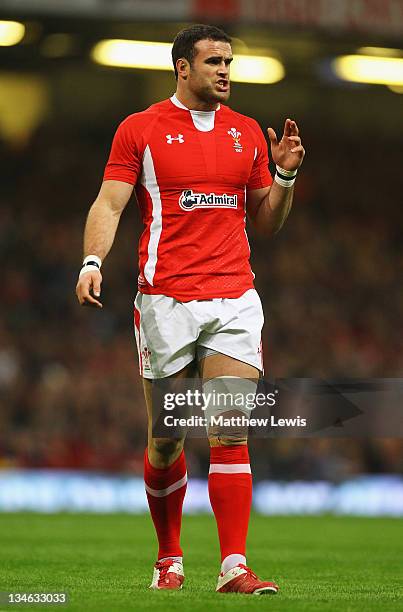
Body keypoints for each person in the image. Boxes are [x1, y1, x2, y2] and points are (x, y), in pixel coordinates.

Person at [76, 24, 305, 595]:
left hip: (233, 296)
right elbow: (109, 202)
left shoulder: (248, 132)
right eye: (214, 62)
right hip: (165, 299)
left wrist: (284, 175)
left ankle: (234, 567)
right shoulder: (141, 130)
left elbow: (267, 222)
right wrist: (91, 261)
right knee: (168, 438)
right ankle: (169, 557)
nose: (225, 71)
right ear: (183, 67)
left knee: (229, 430)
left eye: (229, 62)